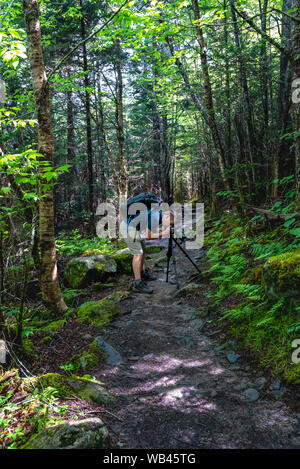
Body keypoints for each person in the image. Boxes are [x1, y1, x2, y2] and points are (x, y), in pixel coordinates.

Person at [120, 199, 174, 294]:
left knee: (143, 249)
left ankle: (142, 272)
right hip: (128, 229)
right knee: (138, 253)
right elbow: (149, 237)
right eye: (170, 223)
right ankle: (137, 283)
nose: (168, 225)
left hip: (134, 228)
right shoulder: (156, 217)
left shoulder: (158, 214)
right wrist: (164, 233)